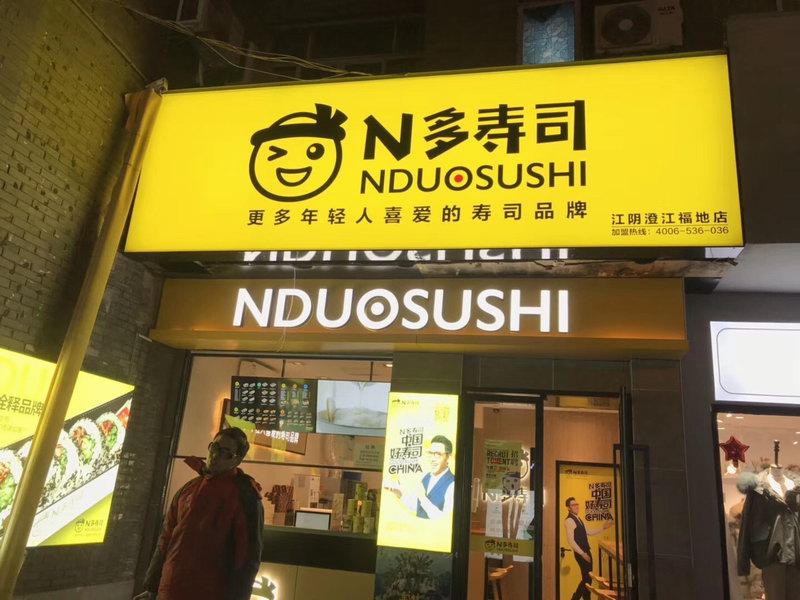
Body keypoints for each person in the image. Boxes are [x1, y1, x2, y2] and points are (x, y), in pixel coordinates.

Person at [134, 427, 264, 600]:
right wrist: (152, 587)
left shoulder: (245, 497)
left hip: (209, 592)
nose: (215, 455)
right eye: (214, 447)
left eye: (226, 453)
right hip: (169, 589)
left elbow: (247, 557)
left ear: (237, 460)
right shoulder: (189, 489)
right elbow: (165, 539)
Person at [385, 434, 455, 520]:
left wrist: (422, 497)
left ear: (448, 458)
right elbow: (418, 507)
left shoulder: (453, 483)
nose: (432, 459)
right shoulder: (427, 477)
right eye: (430, 453)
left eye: (437, 454)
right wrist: (400, 494)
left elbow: (445, 520)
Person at [564, 496, 613, 600]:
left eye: (576, 504)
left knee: (587, 579)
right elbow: (571, 541)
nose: (576, 506)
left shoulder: (578, 518)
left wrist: (603, 528)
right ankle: (576, 598)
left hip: (586, 551)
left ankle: (579, 598)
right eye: (573, 505)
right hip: (581, 553)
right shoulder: (569, 521)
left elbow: (589, 532)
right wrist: (582, 554)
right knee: (587, 579)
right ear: (568, 508)